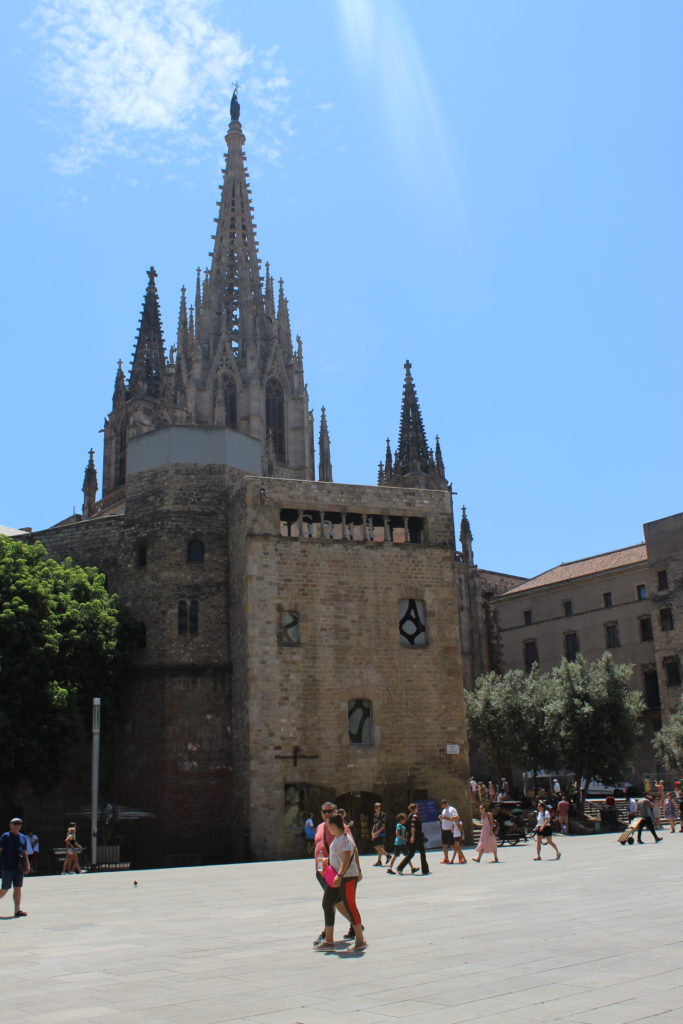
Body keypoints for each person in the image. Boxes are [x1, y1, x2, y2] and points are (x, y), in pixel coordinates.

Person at [317, 813, 366, 951]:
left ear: (333, 825)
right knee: (327, 903)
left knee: (350, 905)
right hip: (337, 877)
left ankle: (360, 940)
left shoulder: (346, 839)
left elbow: (346, 858)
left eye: (328, 825)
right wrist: (327, 862)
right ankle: (329, 941)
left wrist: (339, 874)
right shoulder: (337, 838)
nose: (328, 829)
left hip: (347, 877)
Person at [313, 802, 356, 945]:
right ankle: (356, 925)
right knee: (336, 902)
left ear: (336, 812)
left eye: (330, 811)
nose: (327, 814)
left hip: (334, 870)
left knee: (331, 902)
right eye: (324, 811)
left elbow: (351, 850)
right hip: (321, 870)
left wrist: (357, 871)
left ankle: (326, 935)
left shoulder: (342, 828)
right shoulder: (319, 826)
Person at [0, 817, 30, 917]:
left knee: (18, 888)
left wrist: (27, 864)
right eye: (14, 823)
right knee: (4, 889)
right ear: (10, 825)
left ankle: (17, 910)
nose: (17, 825)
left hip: (19, 867)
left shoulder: (23, 837)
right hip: (7, 867)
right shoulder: (5, 836)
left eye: (19, 824)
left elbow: (25, 851)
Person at [397, 803, 429, 875]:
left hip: (411, 837)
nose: (417, 809)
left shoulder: (408, 817)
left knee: (411, 854)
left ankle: (400, 867)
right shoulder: (414, 816)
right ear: (413, 809)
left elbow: (406, 828)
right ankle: (425, 870)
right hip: (416, 837)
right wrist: (413, 836)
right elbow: (413, 827)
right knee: (422, 852)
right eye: (416, 808)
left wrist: (407, 837)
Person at [438, 799, 458, 864]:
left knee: (452, 845)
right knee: (444, 844)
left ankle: (460, 855)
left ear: (446, 803)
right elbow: (443, 819)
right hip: (444, 829)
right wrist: (441, 818)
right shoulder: (443, 810)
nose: (442, 805)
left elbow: (456, 818)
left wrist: (446, 818)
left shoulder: (452, 809)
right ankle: (446, 858)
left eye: (443, 804)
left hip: (450, 829)